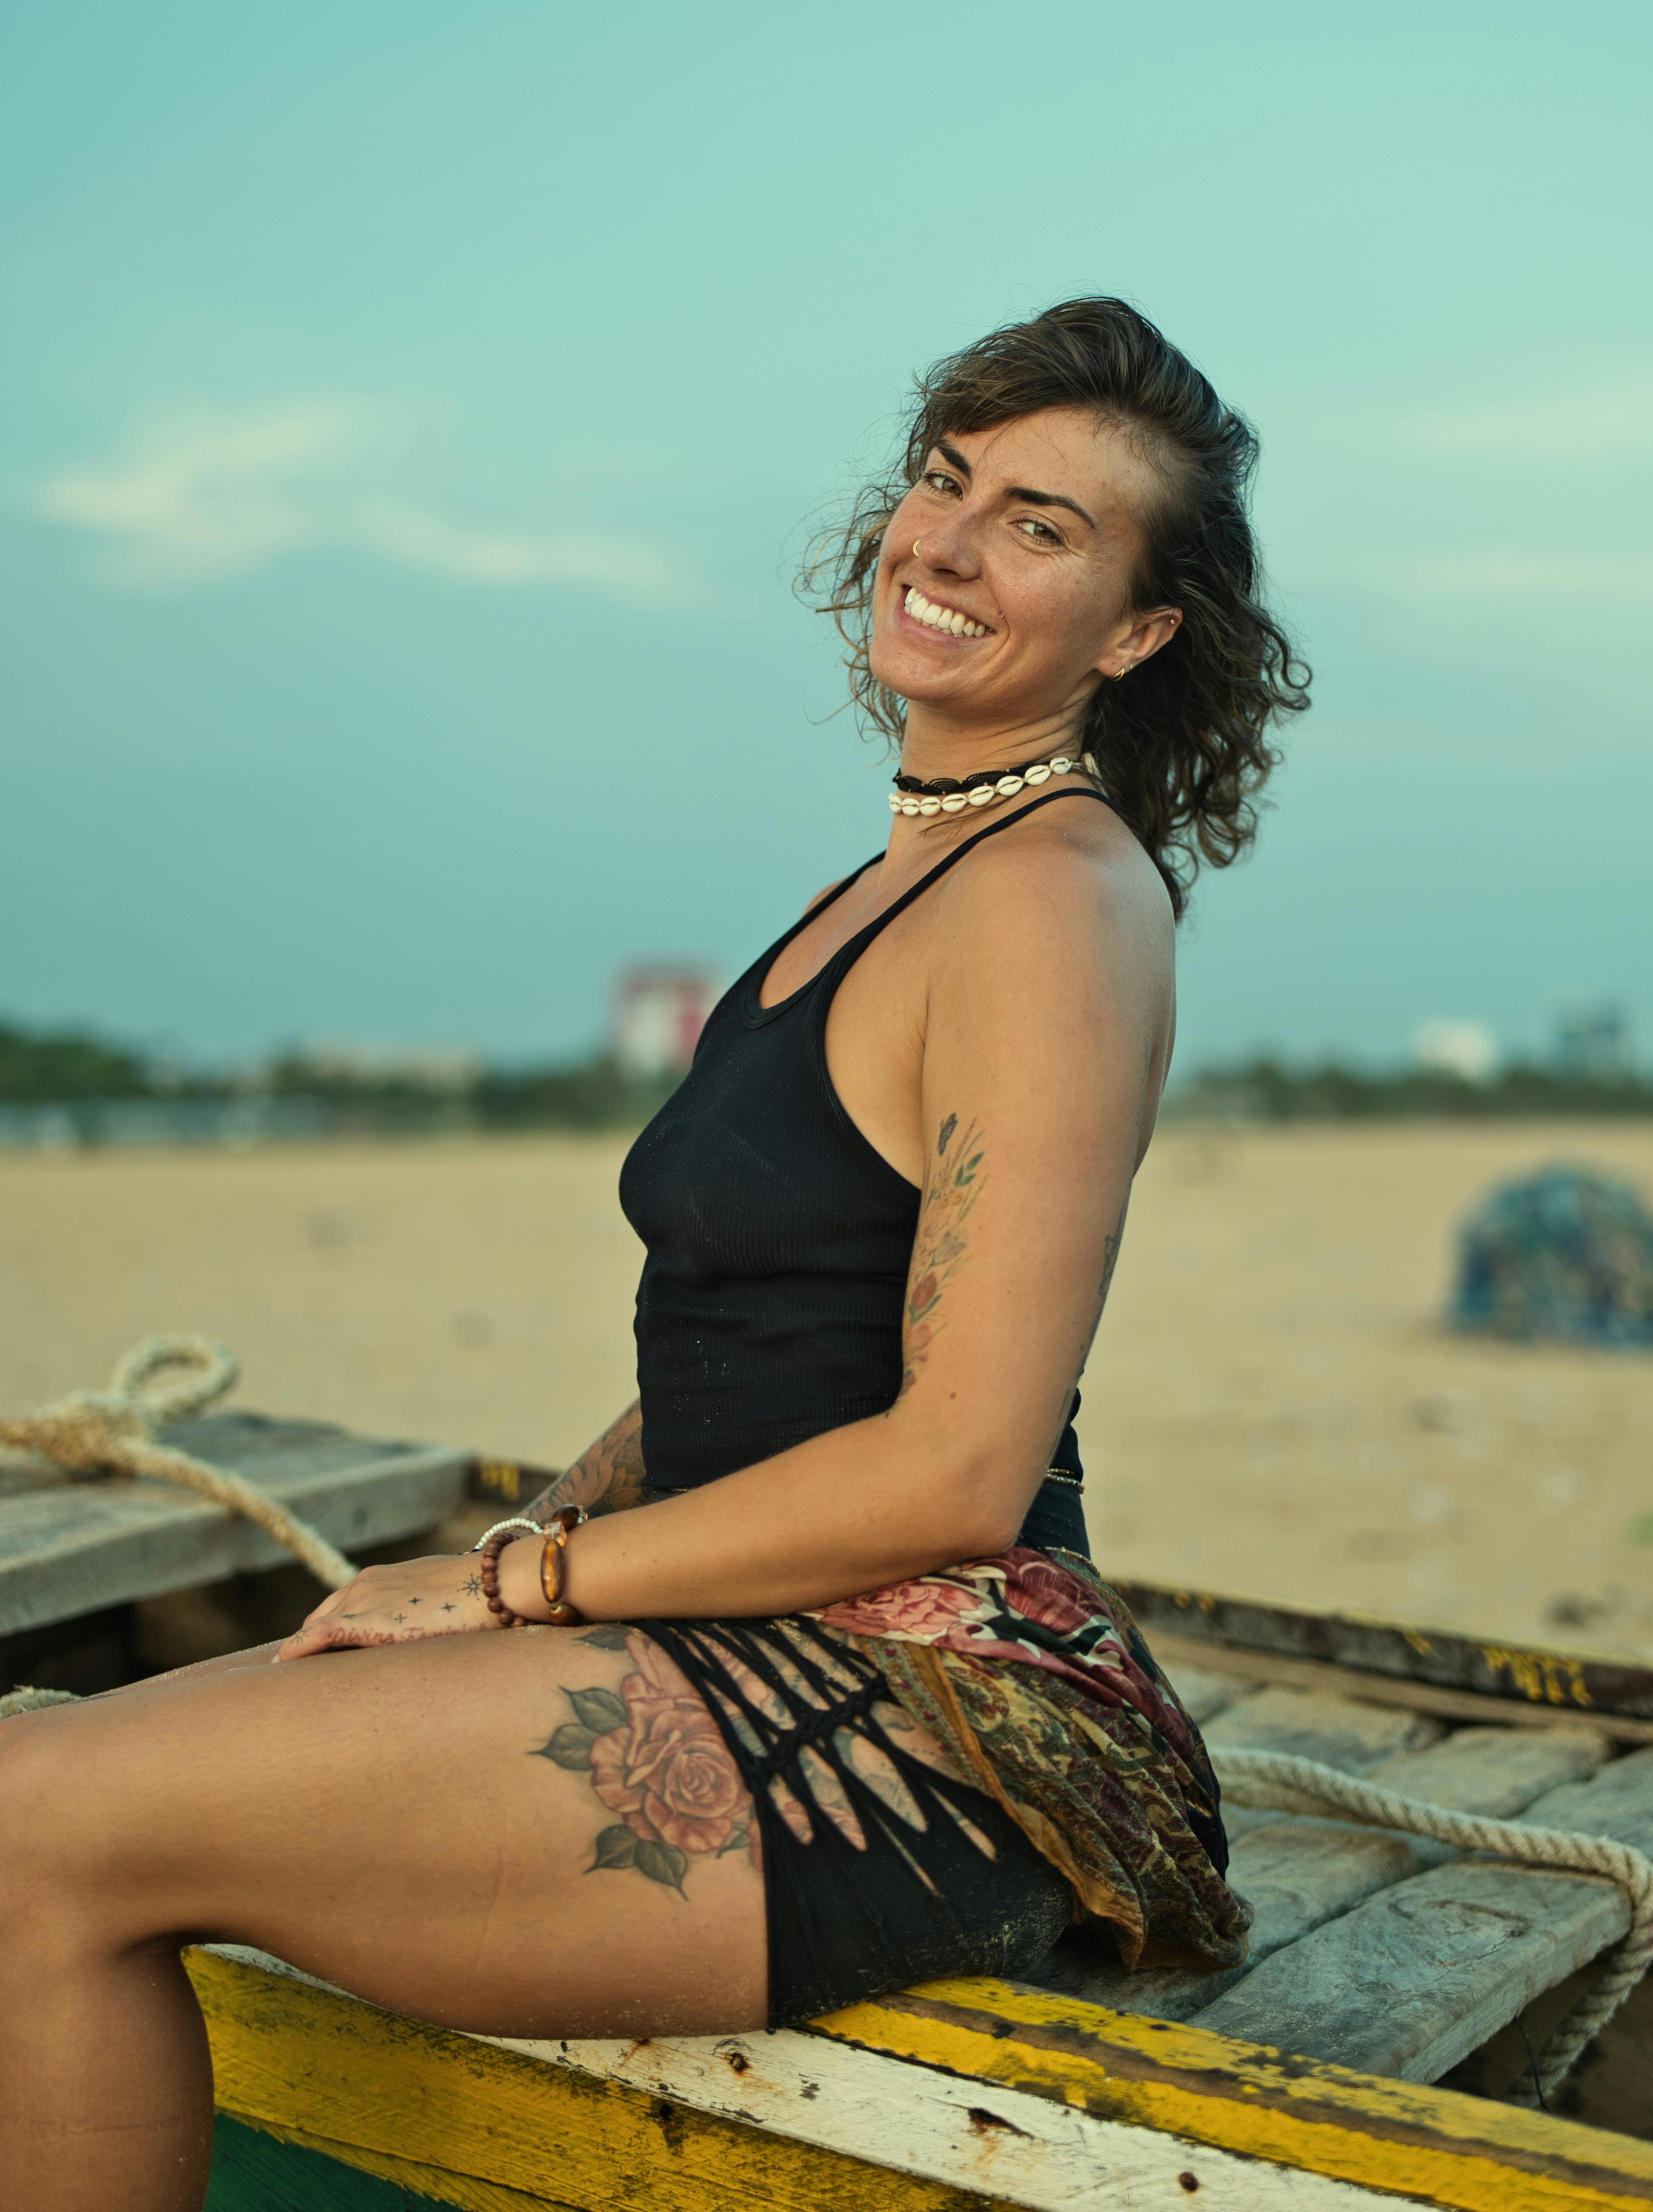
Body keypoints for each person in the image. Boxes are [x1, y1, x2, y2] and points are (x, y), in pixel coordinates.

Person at [0, 296, 1308, 2210]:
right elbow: (754, 1350)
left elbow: (954, 1467)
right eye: (944, 483)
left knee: (31, 1825)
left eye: (1038, 522)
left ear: (1135, 632)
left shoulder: (1049, 902)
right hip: (735, 1633)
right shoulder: (900, 880)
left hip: (930, 1735)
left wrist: (528, 1581)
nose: (944, 540)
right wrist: (500, 1548)